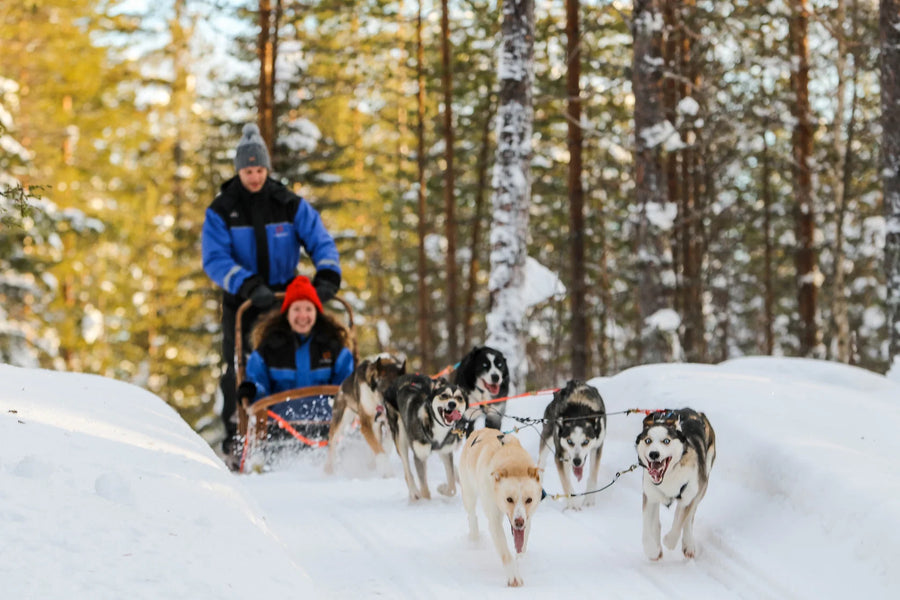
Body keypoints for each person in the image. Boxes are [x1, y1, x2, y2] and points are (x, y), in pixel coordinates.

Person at [202, 123, 342, 455]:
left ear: (267, 168)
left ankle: (307, 429)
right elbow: (215, 258)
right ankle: (238, 437)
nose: (254, 176)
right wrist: (246, 283)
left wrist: (328, 275)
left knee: (298, 355)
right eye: (248, 170)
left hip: (285, 298)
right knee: (238, 367)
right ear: (239, 170)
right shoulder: (223, 209)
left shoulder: (288, 203)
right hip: (243, 300)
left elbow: (320, 240)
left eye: (259, 169)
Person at [238, 275, 354, 428]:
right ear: (287, 313)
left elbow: (346, 382)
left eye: (308, 309)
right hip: (280, 425)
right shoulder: (269, 348)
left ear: (316, 313)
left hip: (327, 423)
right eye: (296, 309)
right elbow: (258, 381)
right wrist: (252, 390)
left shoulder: (333, 347)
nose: (303, 315)